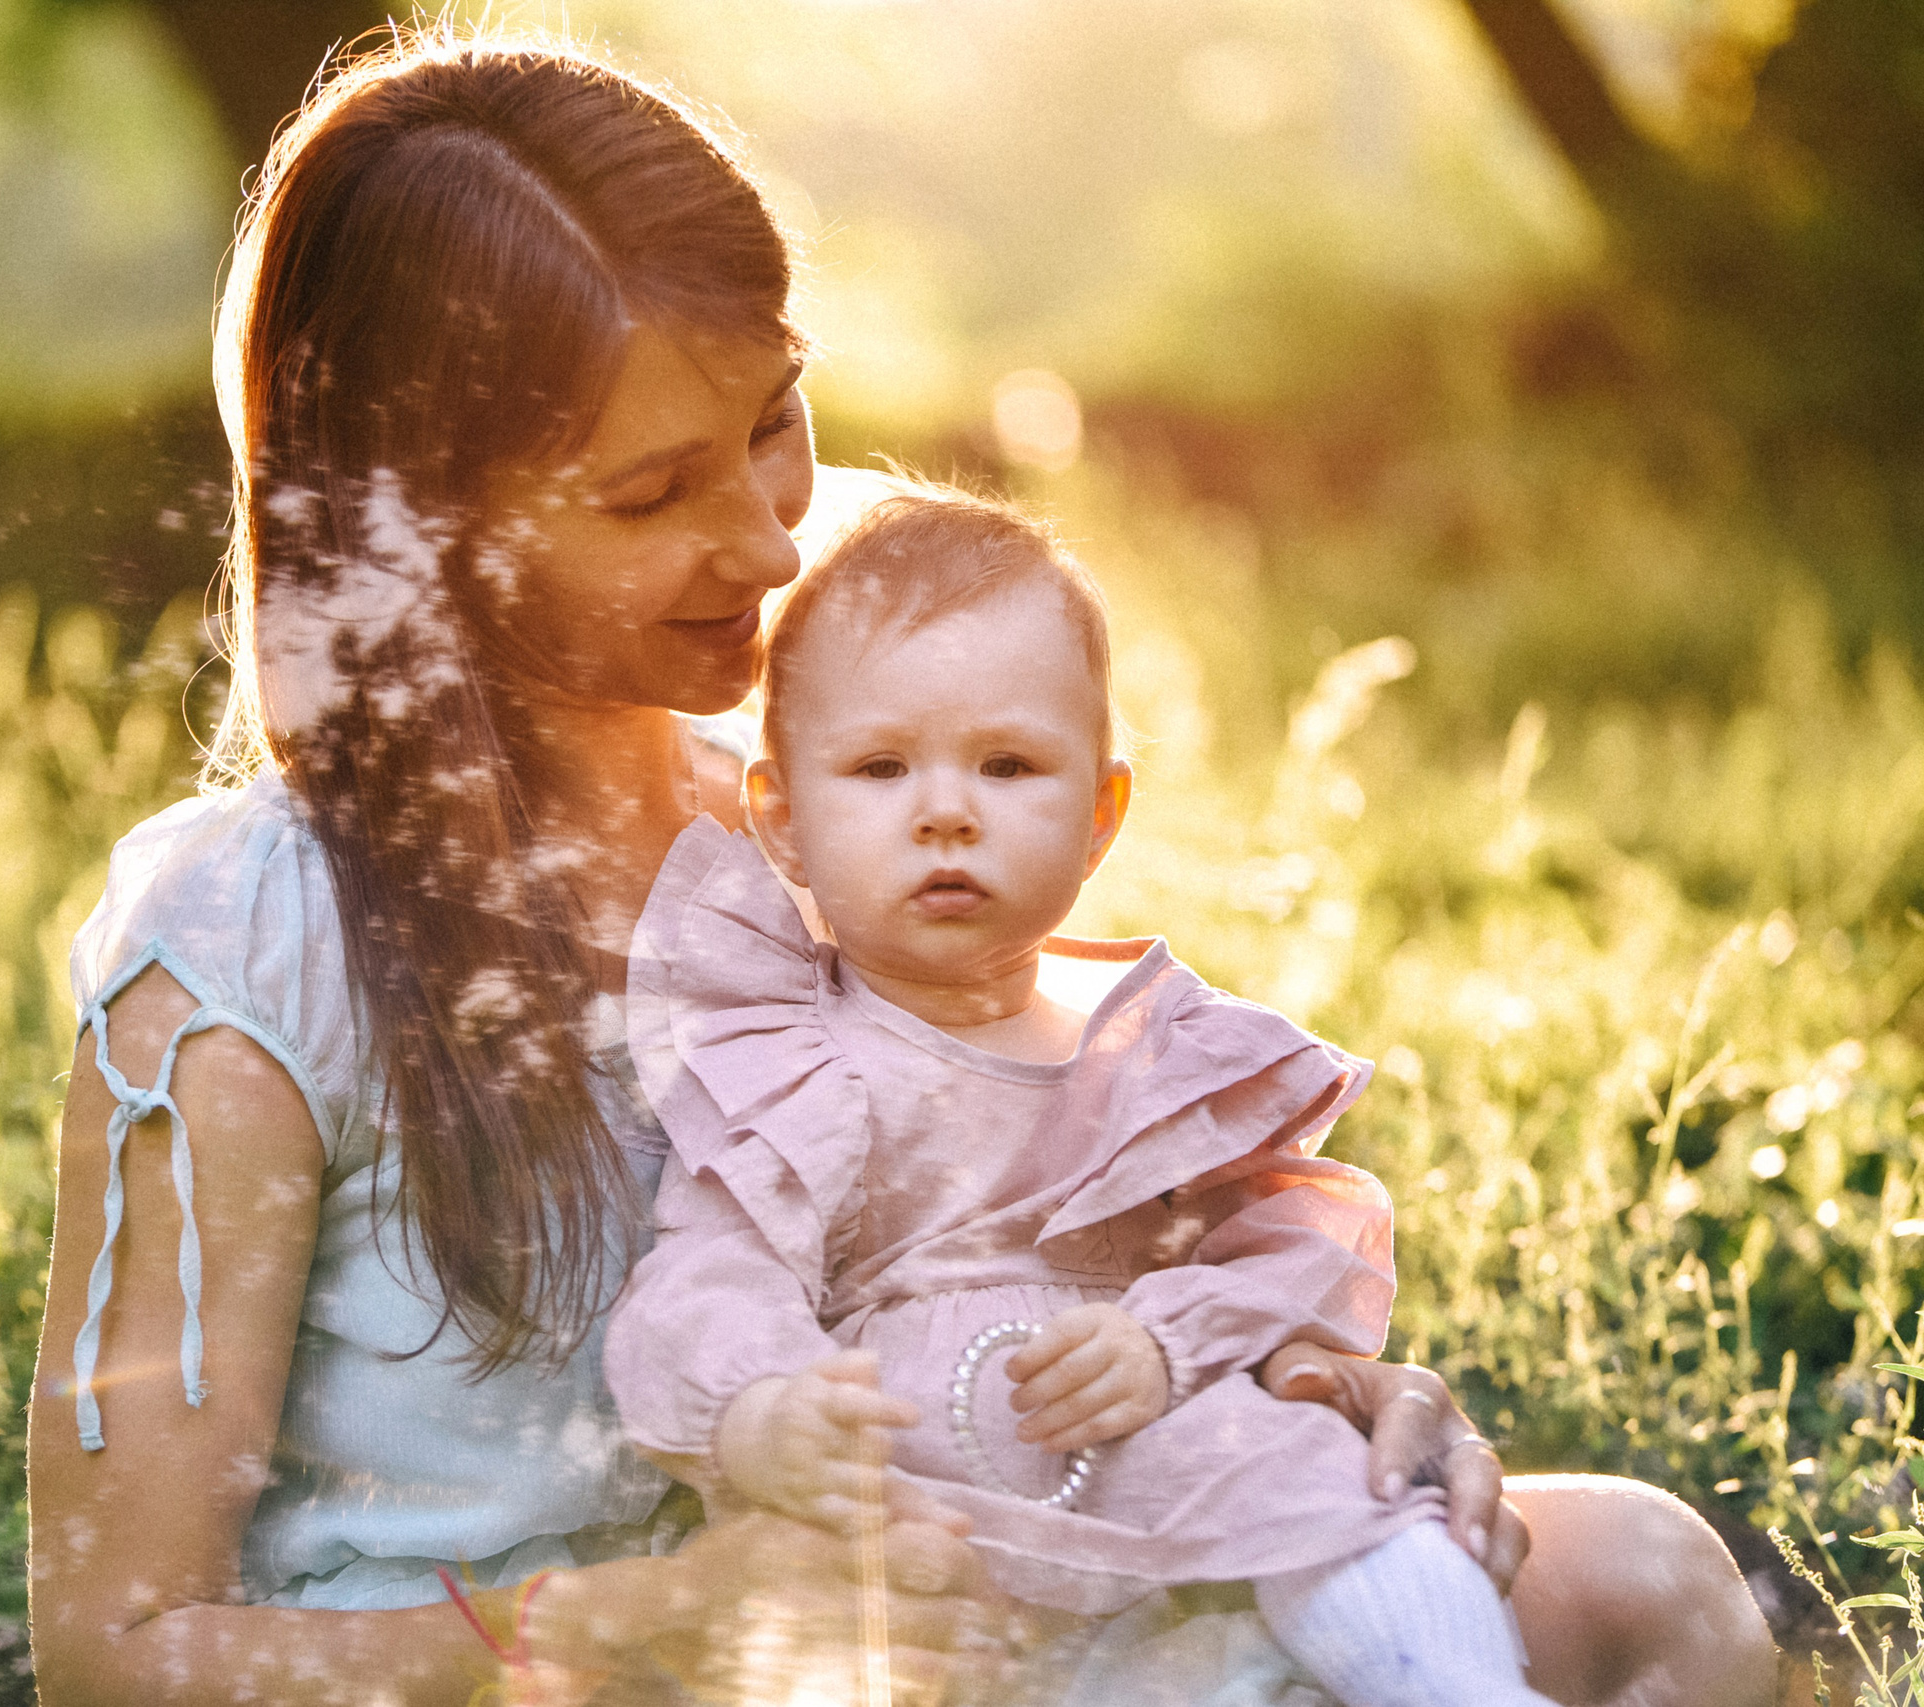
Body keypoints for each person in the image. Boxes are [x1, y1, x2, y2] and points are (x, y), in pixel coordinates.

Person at [23, 30, 1777, 1707]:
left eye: (775, 420)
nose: (773, 535)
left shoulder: (819, 811)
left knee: (1640, 1579)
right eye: (651, 493)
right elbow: (118, 1656)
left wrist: (1295, 1381)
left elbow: (1029, 1216)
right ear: (422, 517)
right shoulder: (242, 957)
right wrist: (651, 1629)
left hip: (981, 1626)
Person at [605, 486, 1559, 1706]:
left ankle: (1465, 1690)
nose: (946, 810)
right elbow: (710, 1273)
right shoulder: (793, 1060)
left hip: (1161, 1485)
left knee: (1338, 1504)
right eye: (880, 767)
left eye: (1008, 765)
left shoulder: (1155, 1060)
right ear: (782, 821)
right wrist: (760, 1412)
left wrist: (1168, 1339)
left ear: (1101, 816)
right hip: (924, 1531)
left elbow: (1277, 1254)